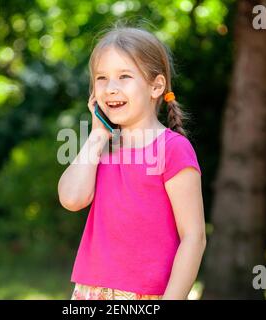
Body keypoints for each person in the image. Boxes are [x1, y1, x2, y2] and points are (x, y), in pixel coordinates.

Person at [58, 23, 206, 300]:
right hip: (91, 292)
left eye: (124, 76)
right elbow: (71, 199)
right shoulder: (102, 148)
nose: (110, 88)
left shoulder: (173, 149)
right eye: (101, 78)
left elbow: (194, 237)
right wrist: (97, 134)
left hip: (148, 295)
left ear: (156, 86)